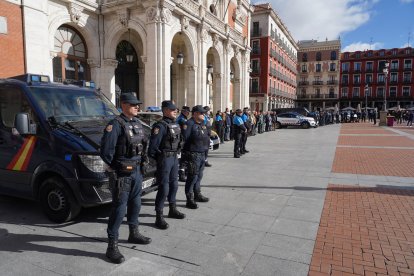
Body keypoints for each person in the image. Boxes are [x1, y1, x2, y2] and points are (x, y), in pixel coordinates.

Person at [100, 93, 151, 264]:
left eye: (138, 104)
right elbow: (106, 152)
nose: (137, 107)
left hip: (137, 171)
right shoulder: (115, 125)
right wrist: (117, 167)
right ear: (123, 105)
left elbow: (143, 145)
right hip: (123, 173)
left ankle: (133, 233)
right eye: (133, 104)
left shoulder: (137, 123)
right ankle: (112, 246)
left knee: (136, 203)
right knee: (119, 208)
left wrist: (143, 161)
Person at [148, 101, 186, 230]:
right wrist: (160, 160)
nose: (175, 111)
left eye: (176, 109)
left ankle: (172, 209)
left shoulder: (175, 124)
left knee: (174, 185)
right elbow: (152, 148)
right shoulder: (160, 126)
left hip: (174, 157)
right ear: (164, 110)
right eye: (172, 109)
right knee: (164, 188)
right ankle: (159, 216)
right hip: (165, 159)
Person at [183, 105, 210, 208]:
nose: (204, 115)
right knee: (192, 177)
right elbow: (185, 139)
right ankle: (189, 199)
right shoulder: (189, 124)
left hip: (202, 153)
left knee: (199, 176)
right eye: (201, 113)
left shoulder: (203, 123)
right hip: (193, 154)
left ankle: (197, 194)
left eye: (204, 113)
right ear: (195, 114)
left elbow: (206, 136)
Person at [176, 106, 190, 182]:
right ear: (184, 111)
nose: (188, 113)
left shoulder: (182, 118)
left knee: (182, 159)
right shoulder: (182, 119)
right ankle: (182, 174)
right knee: (183, 159)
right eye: (187, 112)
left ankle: (183, 172)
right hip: (182, 141)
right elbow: (185, 132)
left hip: (181, 141)